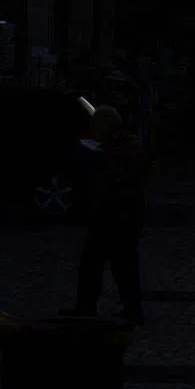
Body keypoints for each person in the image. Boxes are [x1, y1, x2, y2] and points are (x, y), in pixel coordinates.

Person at [61, 106, 147, 324]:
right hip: (122, 214)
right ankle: (128, 307)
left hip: (115, 214)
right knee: (119, 264)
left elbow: (114, 180)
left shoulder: (118, 148)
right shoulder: (125, 143)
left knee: (101, 262)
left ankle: (92, 306)